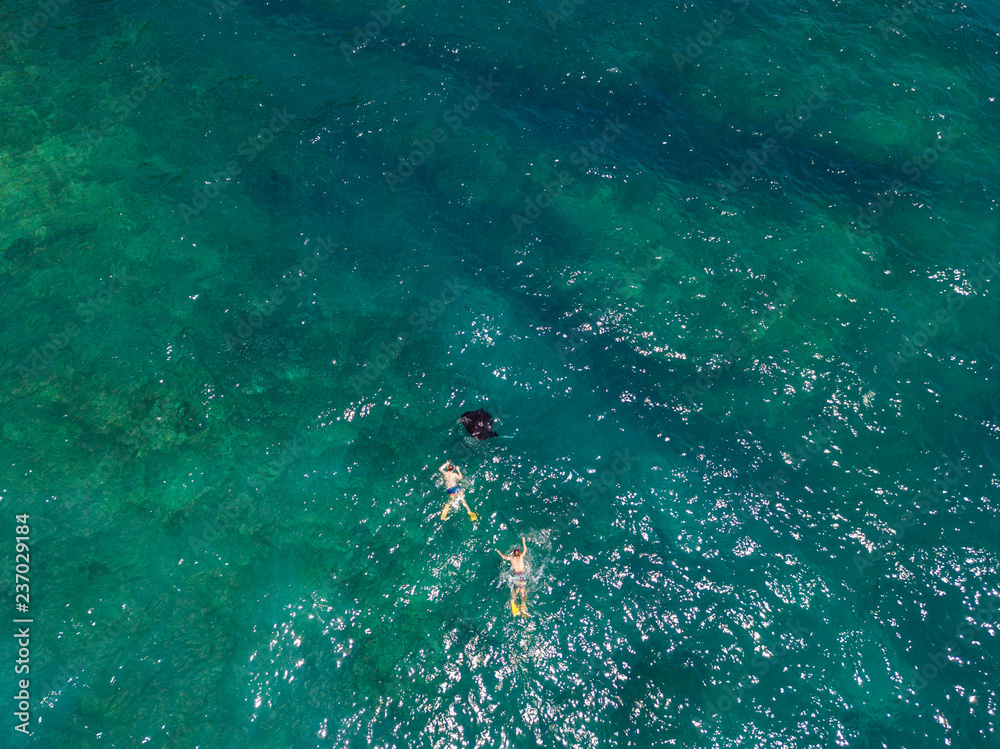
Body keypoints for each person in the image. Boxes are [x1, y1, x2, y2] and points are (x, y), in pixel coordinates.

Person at [497, 536, 528, 617]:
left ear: (513, 554)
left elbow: (504, 557)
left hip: (516, 575)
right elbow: (525, 550)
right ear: (519, 553)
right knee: (523, 592)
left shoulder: (511, 558)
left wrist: (499, 552)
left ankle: (512, 601)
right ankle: (523, 610)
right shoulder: (521, 557)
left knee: (517, 590)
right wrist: (523, 541)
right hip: (522, 574)